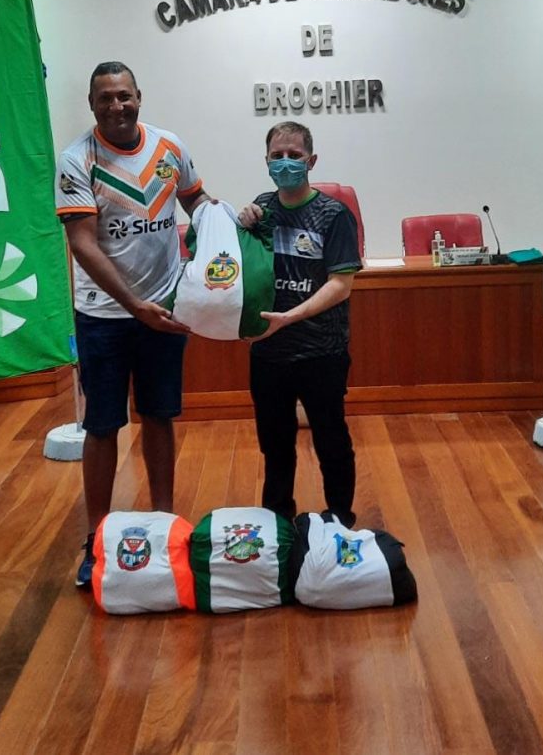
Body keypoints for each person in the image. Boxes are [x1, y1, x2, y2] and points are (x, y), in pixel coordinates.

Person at [56, 61, 211, 588]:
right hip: (103, 315)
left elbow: (195, 201)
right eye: (105, 98)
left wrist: (222, 222)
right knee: (102, 426)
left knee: (159, 415)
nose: (116, 106)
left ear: (139, 97)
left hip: (163, 310)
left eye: (124, 96)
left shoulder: (169, 147)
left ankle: (165, 524)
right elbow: (82, 243)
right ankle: (97, 539)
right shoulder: (77, 160)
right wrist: (133, 304)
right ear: (92, 104)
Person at [238, 122, 362, 527]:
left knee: (331, 441)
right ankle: (278, 522)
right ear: (266, 161)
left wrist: (290, 317)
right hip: (268, 351)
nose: (286, 162)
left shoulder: (334, 215)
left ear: (312, 161)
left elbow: (341, 285)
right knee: (274, 445)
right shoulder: (261, 209)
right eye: (278, 156)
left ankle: (340, 520)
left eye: (294, 155)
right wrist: (240, 223)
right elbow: (241, 265)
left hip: (321, 350)